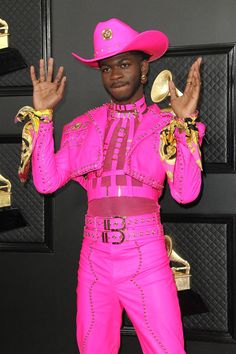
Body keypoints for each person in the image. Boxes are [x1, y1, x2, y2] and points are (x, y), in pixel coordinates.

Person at [20, 18, 205, 354]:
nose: (115, 74)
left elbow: (186, 192)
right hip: (94, 260)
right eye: (106, 67)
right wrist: (43, 116)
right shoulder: (82, 127)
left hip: (146, 257)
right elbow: (46, 183)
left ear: (144, 69)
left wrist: (185, 123)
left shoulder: (165, 124)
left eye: (124, 64)